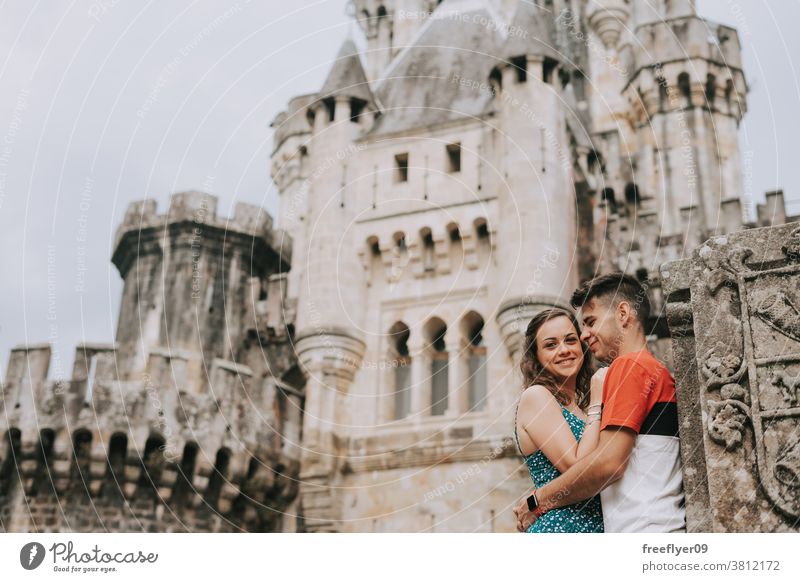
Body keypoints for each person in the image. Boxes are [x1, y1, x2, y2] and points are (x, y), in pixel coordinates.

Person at [513, 273, 686, 533]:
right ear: (535, 356)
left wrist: (537, 500)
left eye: (590, 322)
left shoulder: (629, 368)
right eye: (550, 344)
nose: (583, 336)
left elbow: (607, 465)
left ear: (623, 313)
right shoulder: (651, 371)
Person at [513, 308, 606, 533]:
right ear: (536, 355)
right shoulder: (536, 397)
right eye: (551, 345)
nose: (564, 350)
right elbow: (579, 468)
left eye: (570, 340)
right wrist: (597, 400)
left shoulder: (579, 407)